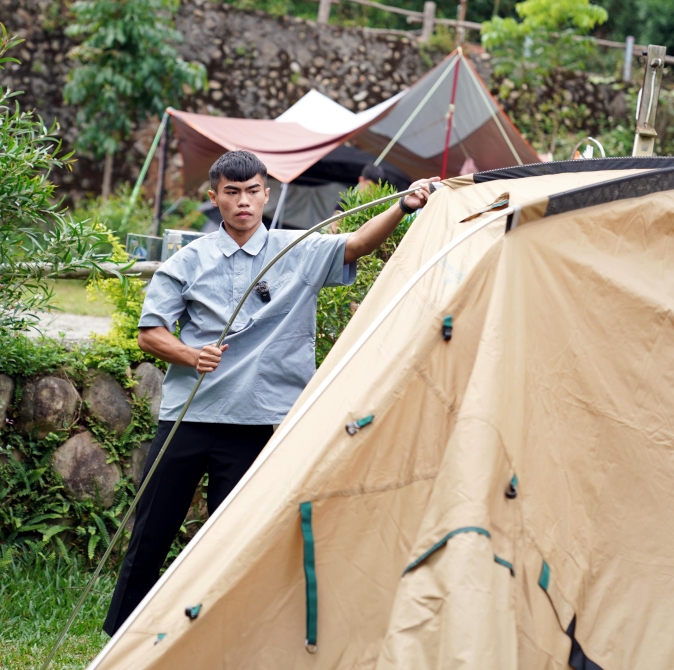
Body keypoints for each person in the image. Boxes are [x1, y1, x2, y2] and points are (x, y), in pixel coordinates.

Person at [102, 150, 437, 635]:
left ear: (266, 193)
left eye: (252, 191)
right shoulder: (188, 260)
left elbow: (357, 244)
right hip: (189, 417)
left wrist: (403, 206)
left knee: (234, 539)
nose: (243, 202)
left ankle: (218, 632)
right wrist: (190, 355)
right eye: (232, 192)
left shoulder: (296, 250)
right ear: (214, 197)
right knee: (152, 531)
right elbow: (150, 332)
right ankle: (122, 637)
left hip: (258, 422)